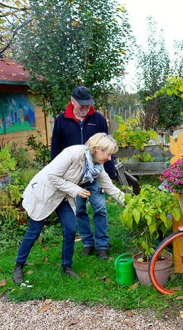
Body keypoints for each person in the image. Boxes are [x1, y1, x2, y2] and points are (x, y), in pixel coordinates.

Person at [13, 133, 125, 284]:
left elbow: (110, 188)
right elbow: (53, 176)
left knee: (70, 230)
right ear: (98, 149)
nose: (109, 158)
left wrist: (130, 203)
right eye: (108, 153)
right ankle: (19, 265)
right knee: (34, 232)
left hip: (63, 196)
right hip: (45, 193)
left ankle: (67, 266)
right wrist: (76, 190)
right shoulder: (73, 153)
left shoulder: (97, 167)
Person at [51, 86, 115, 260]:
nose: (86, 108)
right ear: (72, 101)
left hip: (95, 173)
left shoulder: (98, 119)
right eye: (82, 105)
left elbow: (107, 147)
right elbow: (56, 149)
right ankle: (88, 243)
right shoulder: (62, 120)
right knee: (79, 210)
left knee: (100, 208)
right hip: (73, 178)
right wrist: (57, 173)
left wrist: (110, 172)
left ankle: (102, 245)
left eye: (88, 105)